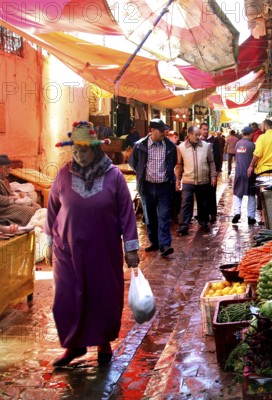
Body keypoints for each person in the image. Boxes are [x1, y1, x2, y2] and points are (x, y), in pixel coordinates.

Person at [45, 121, 140, 367]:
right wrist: (47, 241)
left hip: (103, 251)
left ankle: (103, 343)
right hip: (67, 251)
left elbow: (126, 213)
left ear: (96, 150)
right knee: (67, 297)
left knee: (102, 295)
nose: (80, 156)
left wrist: (131, 248)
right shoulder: (64, 174)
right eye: (75, 151)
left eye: (84, 151)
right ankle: (73, 345)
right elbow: (52, 209)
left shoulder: (114, 176)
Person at [129, 119, 177, 257]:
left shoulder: (170, 146)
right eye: (161, 131)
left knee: (164, 215)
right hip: (147, 186)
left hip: (164, 186)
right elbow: (133, 163)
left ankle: (165, 245)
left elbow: (172, 163)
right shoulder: (139, 146)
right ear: (152, 130)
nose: (164, 133)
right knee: (149, 216)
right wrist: (141, 173)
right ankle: (154, 242)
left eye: (165, 130)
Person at [175, 126, 217, 235]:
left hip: (203, 180)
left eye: (199, 134)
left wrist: (213, 176)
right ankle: (183, 226)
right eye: (196, 135)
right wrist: (177, 179)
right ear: (189, 134)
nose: (198, 137)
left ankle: (203, 223)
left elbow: (211, 162)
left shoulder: (206, 146)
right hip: (188, 180)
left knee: (203, 203)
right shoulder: (181, 147)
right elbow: (179, 165)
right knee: (186, 203)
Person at [0, 154, 40, 226]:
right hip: (2, 209)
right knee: (28, 211)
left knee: (36, 206)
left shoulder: (4, 179)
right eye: (7, 167)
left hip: (8, 205)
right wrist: (12, 199)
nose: (10, 169)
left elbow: (9, 192)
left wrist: (17, 194)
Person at [232, 127, 257, 225]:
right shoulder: (252, 145)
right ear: (250, 134)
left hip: (239, 171)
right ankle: (251, 216)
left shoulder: (238, 144)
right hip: (249, 172)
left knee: (238, 193)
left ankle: (237, 213)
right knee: (251, 194)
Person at [199, 124, 220, 223]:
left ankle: (213, 213)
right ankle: (203, 214)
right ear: (200, 130)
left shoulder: (213, 141)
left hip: (211, 170)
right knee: (202, 194)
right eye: (204, 129)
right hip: (201, 171)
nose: (206, 131)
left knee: (211, 193)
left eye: (207, 129)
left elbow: (217, 156)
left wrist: (217, 171)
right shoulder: (197, 140)